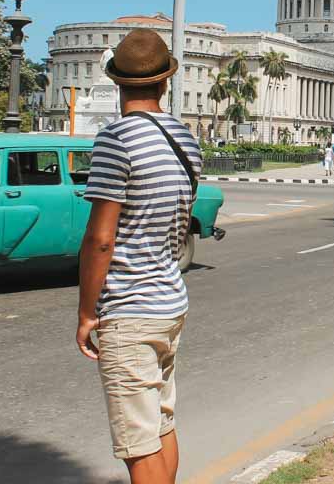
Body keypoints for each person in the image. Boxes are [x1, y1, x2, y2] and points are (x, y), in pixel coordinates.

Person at [76, 28, 201, 484]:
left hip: (129, 308)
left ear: (117, 82)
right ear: (165, 82)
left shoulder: (117, 139)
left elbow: (101, 239)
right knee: (161, 424)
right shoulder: (185, 139)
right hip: (170, 302)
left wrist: (87, 312)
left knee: (138, 443)